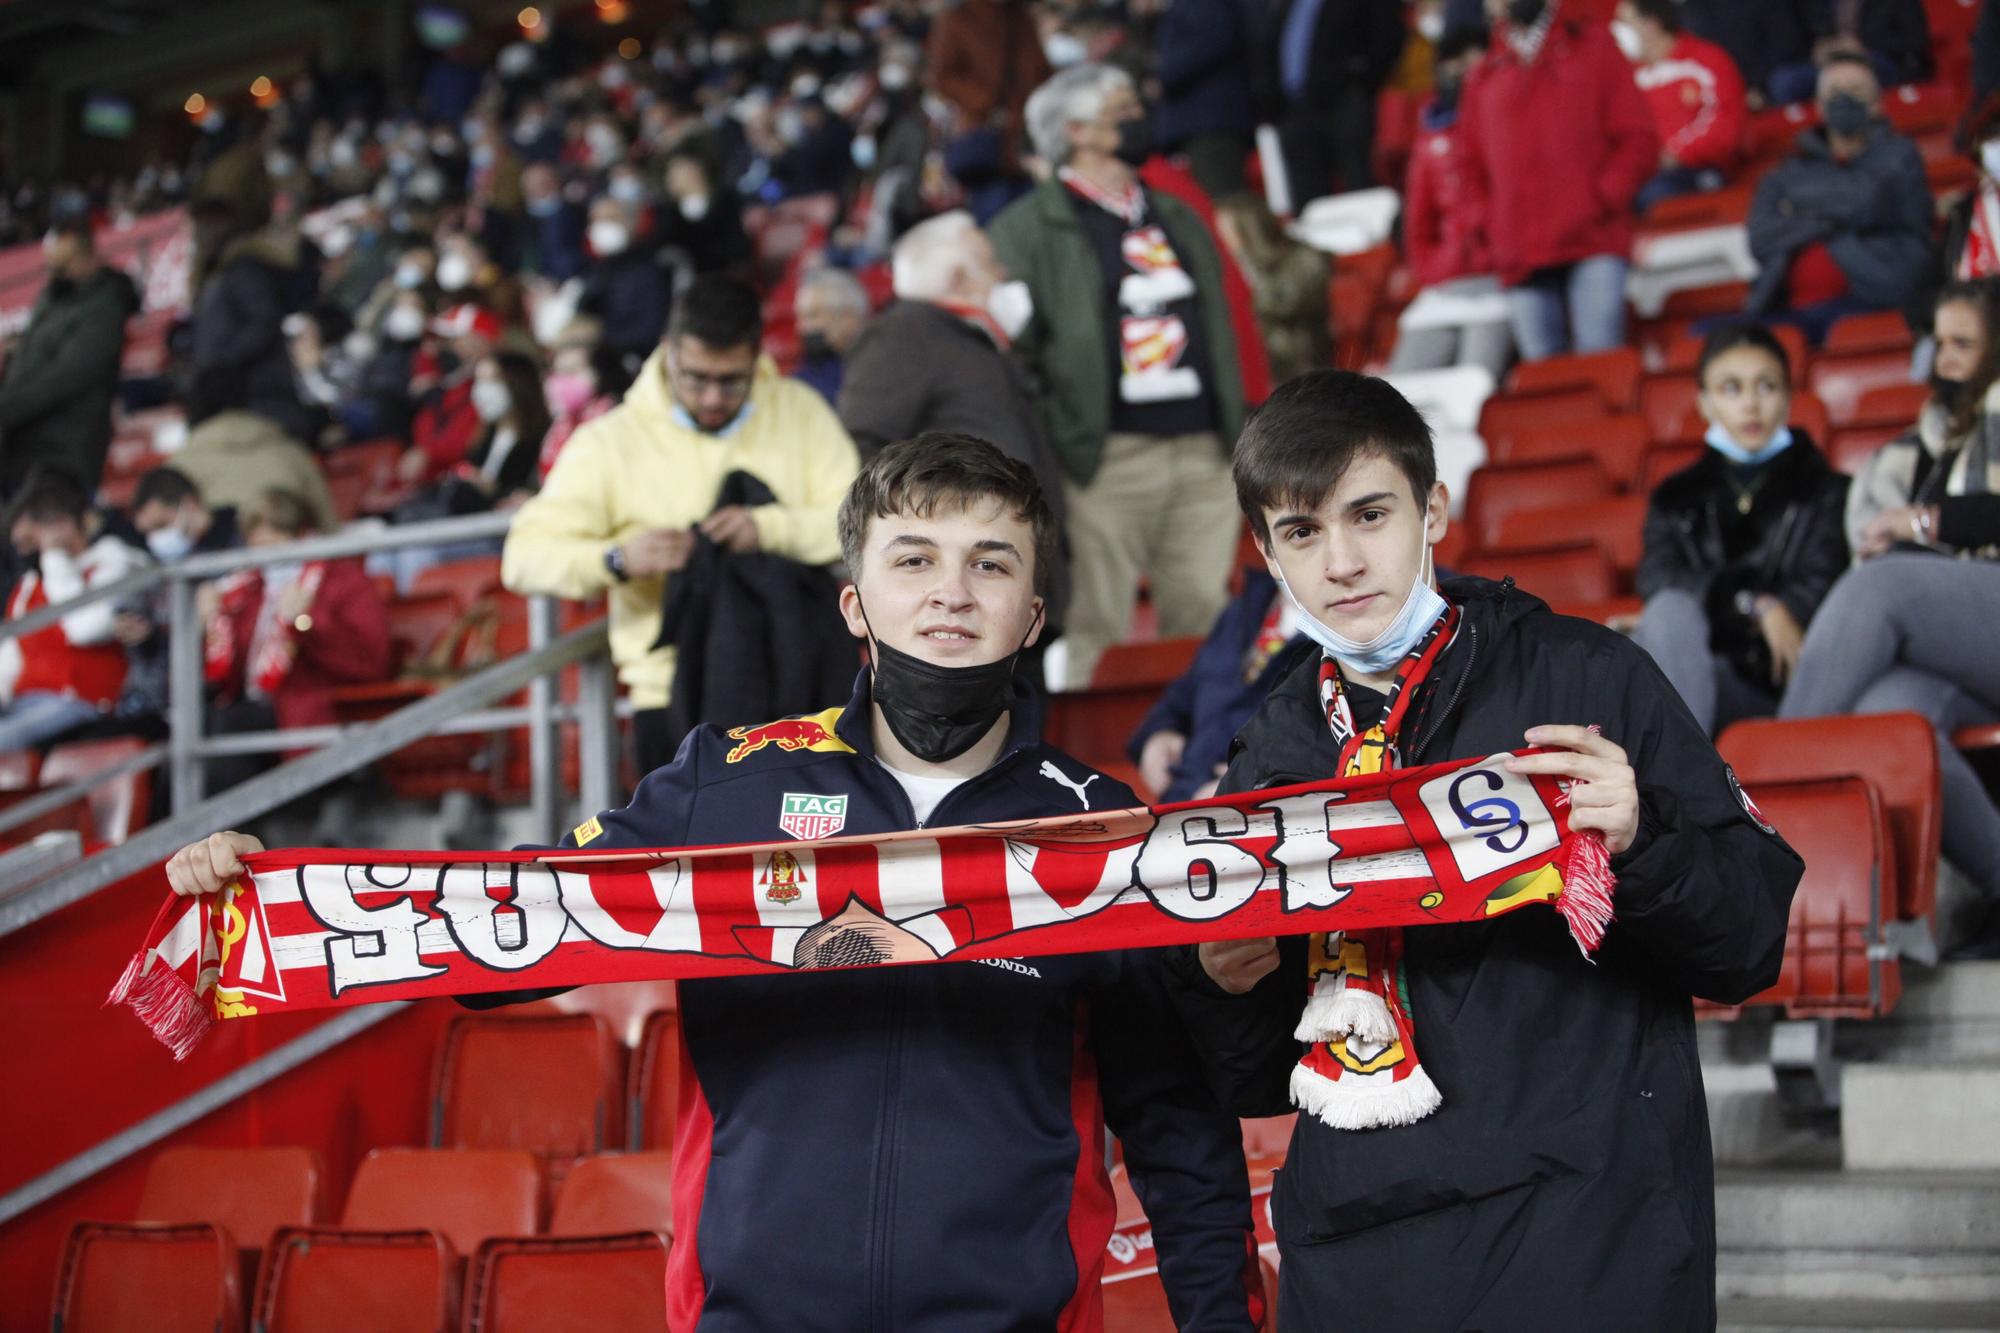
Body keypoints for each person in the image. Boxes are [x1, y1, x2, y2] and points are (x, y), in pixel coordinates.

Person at [166, 433, 1264, 1331]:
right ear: (853, 603)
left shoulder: (1109, 834)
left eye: (990, 562)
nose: (949, 593)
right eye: (913, 558)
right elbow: (505, 936)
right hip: (749, 1314)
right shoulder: (725, 786)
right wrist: (274, 894)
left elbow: (1173, 1122)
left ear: (1030, 617)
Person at [1163, 369, 1801, 1328]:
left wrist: (1643, 841)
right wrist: (1222, 984)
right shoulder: (1273, 752)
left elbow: (1748, 942)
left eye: (1368, 514)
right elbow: (1261, 1078)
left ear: (1434, 509)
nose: (1340, 561)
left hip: (1585, 1233)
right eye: (1302, 532)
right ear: (1266, 553)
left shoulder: (1589, 676)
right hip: (1357, 1254)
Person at [502, 274, 861, 777]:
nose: (713, 396)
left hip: (806, 680)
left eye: (731, 380)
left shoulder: (802, 412)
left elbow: (862, 530)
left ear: (758, 357)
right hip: (669, 697)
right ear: (667, 353)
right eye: (695, 378)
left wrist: (768, 529)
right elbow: (523, 557)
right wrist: (619, 558)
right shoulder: (608, 443)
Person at [992, 63, 1246, 688]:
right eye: (1123, 107)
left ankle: (1211, 760)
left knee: (1204, 619)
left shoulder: (1177, 213)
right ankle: (1091, 772)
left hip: (1204, 449)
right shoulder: (1024, 230)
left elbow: (1221, 323)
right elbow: (1012, 351)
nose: (1140, 116)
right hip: (1106, 458)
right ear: (1077, 131)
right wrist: (1070, 433)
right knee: (1097, 625)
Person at [1783, 282, 2000, 956]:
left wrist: (1923, 524)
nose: (1947, 359)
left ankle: (1752, 808)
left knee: (1883, 587)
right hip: (1950, 642)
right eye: (1941, 343)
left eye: (1966, 344)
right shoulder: (1914, 446)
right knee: (1890, 715)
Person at [837, 211, 1072, 627]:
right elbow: (860, 448)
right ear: (958, 278)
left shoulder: (971, 339)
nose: (1001, 274)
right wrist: (933, 539)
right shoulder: (903, 335)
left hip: (1004, 577)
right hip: (960, 592)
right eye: (990, 264)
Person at [1631, 325, 1850, 736]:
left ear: (1788, 396)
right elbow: (1658, 578)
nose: (1750, 404)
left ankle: (1676, 784)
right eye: (1731, 389)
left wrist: (1765, 610)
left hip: (1783, 680)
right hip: (1692, 660)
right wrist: (1752, 603)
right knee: (1669, 611)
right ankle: (1682, 783)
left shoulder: (1828, 491)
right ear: (1705, 403)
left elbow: (1823, 586)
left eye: (1766, 387)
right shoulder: (1675, 496)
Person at [1464, 0, 1659, 362]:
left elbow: (1639, 138)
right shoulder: (1483, 74)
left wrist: (1601, 198)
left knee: (1602, 365)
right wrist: (1489, 223)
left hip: (1594, 239)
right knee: (1547, 383)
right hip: (1520, 253)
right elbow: (1469, 166)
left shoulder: (1596, 47)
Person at [199, 489, 391, 792]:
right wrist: (211, 623)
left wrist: (306, 621)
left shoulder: (344, 581)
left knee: (228, 730)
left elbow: (369, 664)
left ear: (300, 536)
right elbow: (228, 672)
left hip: (316, 709)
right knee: (194, 728)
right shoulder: (249, 588)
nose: (265, 559)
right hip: (254, 705)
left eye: (274, 546)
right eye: (256, 547)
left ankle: (216, 835)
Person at [1744, 55, 1933, 348]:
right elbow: (1760, 237)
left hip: (1875, 298)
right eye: (1833, 93)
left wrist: (1798, 209)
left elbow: (1865, 201)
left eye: (1856, 92)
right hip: (1786, 309)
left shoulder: (1900, 155)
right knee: (1706, 336)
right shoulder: (1788, 169)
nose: (1843, 100)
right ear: (1818, 105)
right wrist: (1836, 218)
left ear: (1877, 104)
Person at [1387, 24, 1514, 379]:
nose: (1460, 72)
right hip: (1444, 285)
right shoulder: (1429, 142)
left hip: (1499, 282)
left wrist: (1497, 257)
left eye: (1470, 61)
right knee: (1399, 392)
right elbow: (1418, 222)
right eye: (1453, 63)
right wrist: (1435, 268)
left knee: (1474, 385)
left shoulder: (1506, 127)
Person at [1127, 565, 1310, 803]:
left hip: (1271, 815)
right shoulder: (1244, 607)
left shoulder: (1342, 638)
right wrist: (1159, 732)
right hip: (1185, 800)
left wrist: (1256, 779)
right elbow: (1186, 692)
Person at [0, 473, 149, 751]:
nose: (26, 548)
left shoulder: (118, 563)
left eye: (34, 537)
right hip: (24, 702)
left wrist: (55, 557)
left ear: (62, 525)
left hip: (84, 702)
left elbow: (83, 630)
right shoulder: (30, 585)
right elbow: (10, 658)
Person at [0, 217, 140, 498]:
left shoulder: (106, 303)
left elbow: (69, 376)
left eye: (62, 267)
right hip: (23, 443)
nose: (54, 274)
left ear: (85, 259)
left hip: (65, 447)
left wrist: (6, 410)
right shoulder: (52, 297)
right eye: (51, 266)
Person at [1615, 0, 1748, 214]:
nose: (1617, 32)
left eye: (1625, 23)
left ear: (1652, 24)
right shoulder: (1628, 78)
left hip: (1699, 169)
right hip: (1646, 173)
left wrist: (1674, 154)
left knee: (1652, 196)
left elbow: (1726, 126)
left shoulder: (1707, 61)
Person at [1269, 0, 1406, 205]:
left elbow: (1387, 36)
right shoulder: (1290, 4)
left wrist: (1358, 81)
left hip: (1346, 103)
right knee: (1307, 197)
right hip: (1296, 108)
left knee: (1358, 185)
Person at [926, 0, 1051, 222]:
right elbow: (943, 77)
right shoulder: (958, 19)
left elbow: (1041, 73)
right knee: (995, 219)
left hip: (1024, 137)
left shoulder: (1021, 18)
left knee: (1031, 216)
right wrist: (987, 105)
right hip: (986, 137)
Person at [1212, 192, 1329, 387]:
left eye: (1225, 231)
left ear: (1249, 229)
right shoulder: (1223, 269)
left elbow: (1284, 302)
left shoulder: (1304, 260)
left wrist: (1244, 267)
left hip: (1295, 357)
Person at [1151, 0, 1257, 201]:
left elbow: (1211, 40)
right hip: (1204, 122)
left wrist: (1164, 77)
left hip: (1212, 122)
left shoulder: (1202, 4)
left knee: (1228, 202)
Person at [1768, 0, 1934, 108]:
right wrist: (1819, 48)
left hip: (1879, 60)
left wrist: (1864, 46)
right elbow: (1801, 36)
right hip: (1832, 62)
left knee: (1848, 80)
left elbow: (1916, 39)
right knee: (1784, 82)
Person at [577, 197, 673, 366]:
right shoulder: (595, 270)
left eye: (611, 219)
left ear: (632, 223)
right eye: (596, 220)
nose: (602, 226)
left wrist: (602, 338)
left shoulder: (651, 271)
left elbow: (652, 331)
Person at [1681, 0, 1809, 109]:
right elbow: (1701, 57)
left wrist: (1756, 84)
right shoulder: (1694, 8)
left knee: (1782, 83)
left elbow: (1785, 40)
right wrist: (1736, 90)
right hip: (1729, 86)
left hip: (1774, 74)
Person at [791, 266, 870, 405]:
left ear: (849, 317)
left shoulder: (882, 367)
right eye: (800, 318)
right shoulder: (800, 384)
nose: (801, 327)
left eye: (812, 316)